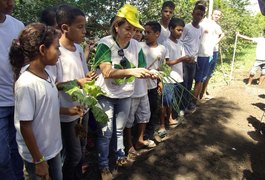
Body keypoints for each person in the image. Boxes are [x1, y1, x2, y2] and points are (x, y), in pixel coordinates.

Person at [93, 4, 154, 180]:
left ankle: (119, 157)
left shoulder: (136, 45)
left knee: (119, 130)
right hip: (105, 94)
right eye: (128, 28)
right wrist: (132, 71)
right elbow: (106, 72)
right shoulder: (105, 43)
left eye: (134, 29)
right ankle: (104, 166)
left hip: (125, 94)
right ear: (116, 26)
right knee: (106, 132)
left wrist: (151, 73)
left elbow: (140, 69)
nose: (131, 33)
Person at [10, 23, 62, 180]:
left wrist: (67, 111)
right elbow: (25, 125)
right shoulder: (26, 84)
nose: (60, 53)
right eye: (57, 48)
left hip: (53, 148)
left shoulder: (47, 75)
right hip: (37, 156)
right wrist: (39, 160)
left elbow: (45, 109)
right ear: (42, 50)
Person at [54, 5, 95, 180]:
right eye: (80, 27)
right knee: (73, 155)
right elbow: (54, 84)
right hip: (67, 112)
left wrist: (87, 76)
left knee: (82, 147)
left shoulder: (78, 49)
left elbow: (81, 73)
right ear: (65, 28)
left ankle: (77, 175)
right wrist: (77, 82)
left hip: (82, 108)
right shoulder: (55, 52)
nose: (84, 31)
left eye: (84, 27)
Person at [0, 0, 24, 179]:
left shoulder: (17, 25)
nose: (11, 3)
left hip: (17, 98)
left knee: (17, 150)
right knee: (2, 158)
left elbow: (24, 60)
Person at [160, 18, 193, 137]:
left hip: (178, 76)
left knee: (172, 100)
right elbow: (167, 63)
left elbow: (182, 57)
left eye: (182, 30)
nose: (180, 33)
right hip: (168, 77)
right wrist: (181, 59)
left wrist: (189, 58)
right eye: (178, 30)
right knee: (165, 101)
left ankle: (170, 119)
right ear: (171, 29)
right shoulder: (165, 43)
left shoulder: (180, 43)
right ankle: (162, 124)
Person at [141, 21, 168, 142]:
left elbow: (162, 67)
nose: (145, 34)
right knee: (140, 112)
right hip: (139, 86)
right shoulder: (139, 46)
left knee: (152, 109)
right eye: (144, 32)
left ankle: (150, 134)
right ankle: (139, 136)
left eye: (148, 32)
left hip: (152, 86)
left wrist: (160, 82)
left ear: (157, 34)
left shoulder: (162, 49)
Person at [180, 2, 205, 113]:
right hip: (184, 61)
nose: (198, 17)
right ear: (192, 14)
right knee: (184, 84)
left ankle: (185, 105)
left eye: (201, 15)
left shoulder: (200, 29)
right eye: (197, 14)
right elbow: (180, 42)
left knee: (189, 84)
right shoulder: (186, 27)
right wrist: (184, 56)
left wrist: (195, 58)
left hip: (193, 62)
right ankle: (180, 107)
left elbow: (197, 44)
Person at [200, 9, 224, 99]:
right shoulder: (207, 23)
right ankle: (200, 94)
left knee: (210, 73)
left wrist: (216, 42)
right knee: (204, 72)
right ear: (212, 15)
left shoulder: (218, 26)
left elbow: (222, 34)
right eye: (215, 14)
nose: (217, 16)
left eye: (218, 15)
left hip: (214, 51)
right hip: (206, 51)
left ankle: (204, 92)